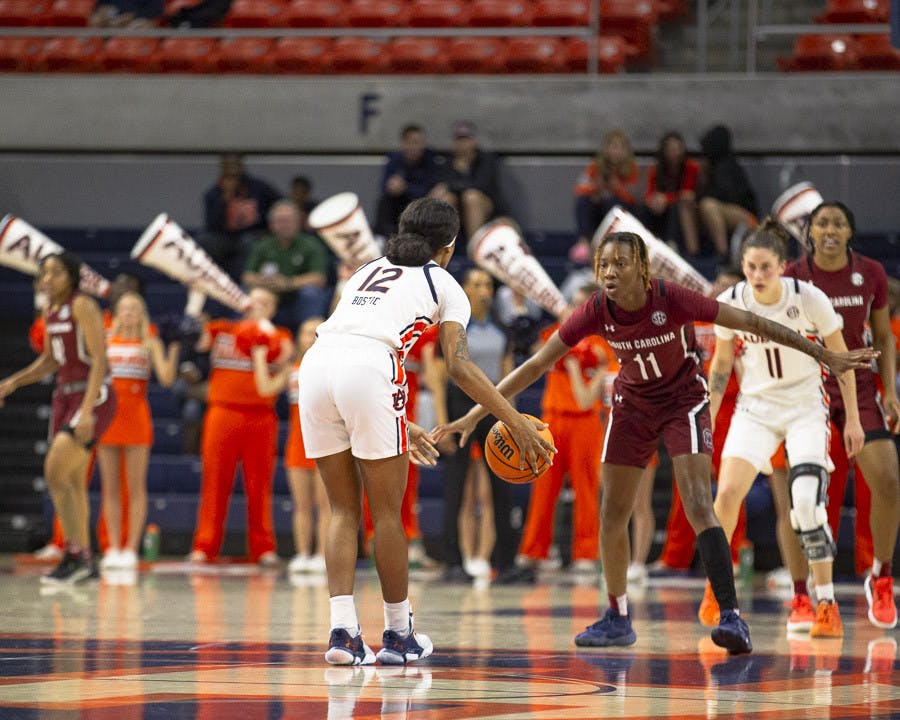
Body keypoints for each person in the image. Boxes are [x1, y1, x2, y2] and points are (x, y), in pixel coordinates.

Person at [434, 230, 876, 655]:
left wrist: (825, 354)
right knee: (613, 512)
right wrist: (476, 414)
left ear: (642, 269)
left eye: (620, 264)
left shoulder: (671, 297)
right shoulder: (596, 308)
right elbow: (536, 364)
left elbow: (751, 321)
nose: (609, 271)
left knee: (701, 503)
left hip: (684, 400)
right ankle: (617, 616)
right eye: (603, 264)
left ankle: (730, 616)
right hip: (633, 404)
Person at [297, 197, 554, 666]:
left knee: (341, 509)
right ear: (449, 249)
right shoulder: (446, 283)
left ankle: (342, 633)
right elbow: (459, 365)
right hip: (370, 369)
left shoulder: (367, 269)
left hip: (314, 367)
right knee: (387, 513)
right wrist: (513, 420)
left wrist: (397, 419)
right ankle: (398, 635)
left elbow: (347, 341)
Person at [703, 218, 863, 639]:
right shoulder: (732, 300)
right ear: (742, 266)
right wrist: (707, 413)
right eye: (750, 267)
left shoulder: (809, 299)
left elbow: (842, 359)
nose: (757, 276)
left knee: (806, 506)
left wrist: (855, 419)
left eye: (765, 267)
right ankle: (717, 588)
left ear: (784, 266)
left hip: (805, 406)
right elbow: (721, 363)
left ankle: (823, 601)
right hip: (755, 408)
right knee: (725, 495)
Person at [784, 201, 899, 630]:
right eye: (822, 223)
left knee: (887, 480)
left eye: (839, 222)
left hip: (861, 388)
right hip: (806, 391)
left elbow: (885, 337)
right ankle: (801, 593)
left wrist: (890, 392)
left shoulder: (871, 273)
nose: (830, 229)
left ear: (850, 232)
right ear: (809, 232)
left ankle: (882, 577)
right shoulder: (793, 276)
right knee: (803, 499)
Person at [0, 252, 118, 583]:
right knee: (73, 481)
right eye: (45, 273)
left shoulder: (83, 305)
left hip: (92, 394)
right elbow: (51, 361)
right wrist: (13, 382)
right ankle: (83, 559)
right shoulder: (50, 311)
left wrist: (86, 411)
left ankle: (74, 552)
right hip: (64, 395)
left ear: (72, 277)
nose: (49, 278)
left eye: (56, 272)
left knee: (54, 471)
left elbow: (99, 360)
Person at [188, 287, 294, 567]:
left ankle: (263, 547)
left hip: (260, 418)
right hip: (221, 413)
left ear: (272, 309)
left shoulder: (279, 334)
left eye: (266, 301)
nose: (259, 304)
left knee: (259, 485)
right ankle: (204, 546)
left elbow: (282, 354)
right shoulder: (222, 329)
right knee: (214, 483)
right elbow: (195, 340)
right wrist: (196, 299)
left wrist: (260, 324)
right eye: (256, 299)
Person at [431, 268, 523, 585]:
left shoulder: (501, 327)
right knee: (455, 488)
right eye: (476, 283)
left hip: (493, 405)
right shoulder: (454, 326)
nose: (483, 288)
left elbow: (509, 376)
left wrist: (513, 419)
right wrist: (443, 422)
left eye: (487, 283)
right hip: (459, 403)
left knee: (502, 486)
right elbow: (438, 376)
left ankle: (505, 563)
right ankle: (453, 562)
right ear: (465, 290)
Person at [515, 283, 610, 576]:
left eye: (584, 304)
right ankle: (534, 551)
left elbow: (603, 377)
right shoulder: (553, 334)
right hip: (552, 418)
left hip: (585, 421)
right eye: (574, 303)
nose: (576, 309)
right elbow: (530, 348)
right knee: (543, 489)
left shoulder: (602, 343)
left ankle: (585, 552)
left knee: (587, 489)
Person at [98, 291, 180, 570]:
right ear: (116, 312)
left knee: (135, 487)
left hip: (136, 417)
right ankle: (113, 547)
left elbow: (167, 379)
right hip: (107, 417)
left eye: (135, 308)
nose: (129, 313)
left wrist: (176, 346)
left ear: (142, 313)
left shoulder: (150, 342)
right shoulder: (105, 341)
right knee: (110, 487)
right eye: (125, 308)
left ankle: (131, 548)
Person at [241, 199, 331, 332]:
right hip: (269, 295)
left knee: (311, 293)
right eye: (280, 220)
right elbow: (247, 276)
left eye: (289, 220)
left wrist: (288, 283)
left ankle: (309, 339)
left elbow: (319, 278)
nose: (285, 225)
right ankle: (243, 337)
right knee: (246, 292)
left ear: (298, 221)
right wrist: (264, 281)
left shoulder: (311, 244)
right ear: (272, 224)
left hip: (296, 297)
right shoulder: (263, 244)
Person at [284, 317, 329, 575]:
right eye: (304, 332)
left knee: (325, 505)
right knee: (301, 504)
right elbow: (264, 388)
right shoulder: (292, 369)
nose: (309, 337)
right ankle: (302, 553)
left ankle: (322, 554)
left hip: (324, 441)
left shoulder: (330, 367)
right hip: (297, 443)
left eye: (315, 332)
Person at [202, 153, 282, 280]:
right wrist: (225, 199)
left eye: (235, 166)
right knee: (204, 241)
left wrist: (268, 229)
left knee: (249, 242)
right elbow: (211, 225)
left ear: (242, 167)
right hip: (225, 237)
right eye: (228, 167)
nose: (232, 171)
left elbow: (280, 205)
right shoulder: (213, 193)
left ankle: (247, 282)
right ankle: (211, 281)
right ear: (222, 169)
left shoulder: (259, 187)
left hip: (254, 234)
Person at [571, 130, 642, 264]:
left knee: (612, 202)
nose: (616, 151)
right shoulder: (595, 166)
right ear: (606, 149)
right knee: (584, 201)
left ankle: (610, 246)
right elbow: (580, 188)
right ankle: (584, 243)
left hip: (622, 213)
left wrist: (617, 188)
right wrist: (596, 189)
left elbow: (634, 197)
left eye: (620, 147)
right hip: (599, 209)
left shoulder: (632, 169)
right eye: (613, 146)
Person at [431, 121, 506, 241]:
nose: (462, 144)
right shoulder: (447, 162)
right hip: (457, 210)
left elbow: (481, 185)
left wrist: (460, 175)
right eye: (459, 140)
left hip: (485, 208)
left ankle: (474, 245)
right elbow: (440, 187)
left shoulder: (486, 160)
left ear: (473, 141)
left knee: (471, 197)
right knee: (446, 199)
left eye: (466, 139)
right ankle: (443, 247)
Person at [698, 125, 759, 261]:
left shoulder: (725, 167)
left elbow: (727, 196)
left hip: (748, 220)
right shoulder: (715, 166)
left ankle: (723, 254)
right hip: (732, 214)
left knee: (707, 205)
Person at [374, 123, 444, 237]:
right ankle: (382, 237)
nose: (418, 147)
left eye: (421, 143)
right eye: (414, 142)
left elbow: (431, 188)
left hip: (422, 204)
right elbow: (384, 187)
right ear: (404, 143)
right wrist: (393, 187)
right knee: (385, 201)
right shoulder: (394, 159)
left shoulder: (430, 159)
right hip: (400, 202)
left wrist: (406, 188)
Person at [642, 131, 701, 257]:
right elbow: (649, 194)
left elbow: (687, 194)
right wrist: (654, 201)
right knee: (642, 209)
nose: (674, 152)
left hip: (687, 209)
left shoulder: (691, 167)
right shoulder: (656, 169)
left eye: (677, 148)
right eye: (670, 149)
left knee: (676, 207)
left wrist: (666, 198)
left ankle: (672, 245)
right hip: (661, 210)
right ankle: (643, 246)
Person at [91, 0, 163, 27]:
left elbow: (156, 10)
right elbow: (100, 6)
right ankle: (94, 51)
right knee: (96, 20)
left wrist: (134, 16)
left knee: (142, 26)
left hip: (136, 20)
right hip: (113, 19)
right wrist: (102, 11)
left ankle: (134, 56)